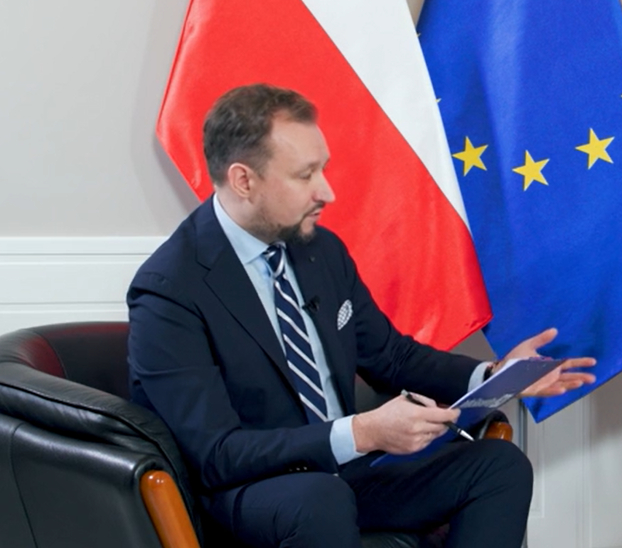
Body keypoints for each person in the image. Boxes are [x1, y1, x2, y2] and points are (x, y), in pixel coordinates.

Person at [127, 83, 596, 548]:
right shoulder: (170, 290)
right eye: (305, 175)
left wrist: (495, 375)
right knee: (320, 499)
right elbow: (216, 454)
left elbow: (391, 357)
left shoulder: (320, 250)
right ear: (244, 180)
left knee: (499, 466)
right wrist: (363, 431)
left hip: (347, 471)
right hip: (250, 489)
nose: (326, 192)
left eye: (323, 169)